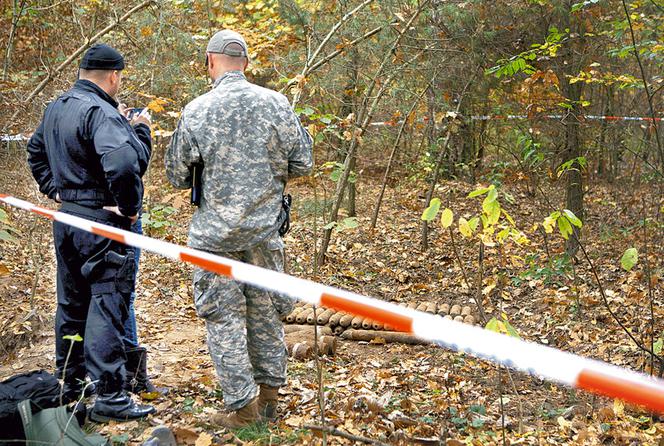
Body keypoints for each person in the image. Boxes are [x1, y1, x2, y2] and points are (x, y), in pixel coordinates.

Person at [165, 30, 313, 428]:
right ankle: (268, 401)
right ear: (246, 64)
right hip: (264, 232)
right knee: (265, 314)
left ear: (210, 62)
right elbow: (303, 163)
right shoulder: (277, 104)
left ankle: (244, 409)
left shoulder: (196, 110)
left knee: (224, 317)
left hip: (214, 238)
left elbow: (177, 174)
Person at [26, 43, 156, 422]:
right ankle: (111, 397)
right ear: (113, 76)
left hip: (68, 220)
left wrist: (56, 190)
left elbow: (35, 152)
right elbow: (123, 163)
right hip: (101, 221)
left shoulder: (56, 108)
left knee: (71, 303)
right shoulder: (101, 112)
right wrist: (129, 210)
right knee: (106, 303)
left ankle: (70, 383)